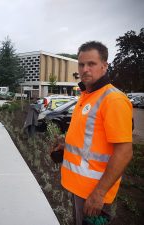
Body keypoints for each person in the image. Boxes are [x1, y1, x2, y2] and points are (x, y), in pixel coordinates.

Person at [54, 41, 133, 225]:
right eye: (81, 64)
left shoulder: (113, 100)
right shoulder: (86, 96)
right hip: (78, 187)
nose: (85, 69)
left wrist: (99, 193)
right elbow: (91, 140)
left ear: (105, 66)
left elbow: (124, 152)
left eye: (91, 64)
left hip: (94, 194)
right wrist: (66, 147)